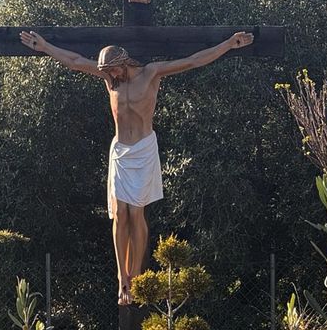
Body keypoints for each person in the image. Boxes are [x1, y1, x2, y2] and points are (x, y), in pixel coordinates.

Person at [19, 30, 254, 304]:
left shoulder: (151, 73)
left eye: (114, 70)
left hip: (143, 150)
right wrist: (45, 46)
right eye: (107, 72)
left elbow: (193, 61)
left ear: (125, 62)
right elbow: (75, 61)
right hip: (120, 151)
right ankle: (123, 277)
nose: (111, 75)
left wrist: (228, 44)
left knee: (136, 212)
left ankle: (137, 276)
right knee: (120, 213)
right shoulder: (110, 80)